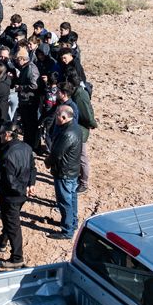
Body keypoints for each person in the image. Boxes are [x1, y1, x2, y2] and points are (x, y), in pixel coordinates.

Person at [0, 122, 35, 270]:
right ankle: (2, 241)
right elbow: (33, 168)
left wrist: (23, 189)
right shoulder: (27, 147)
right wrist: (31, 184)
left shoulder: (6, 154)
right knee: (9, 219)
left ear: (7, 134)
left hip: (11, 196)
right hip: (22, 193)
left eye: (1, 133)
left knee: (13, 225)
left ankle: (17, 258)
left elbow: (10, 182)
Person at [46, 105, 82, 239]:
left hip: (64, 172)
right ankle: (72, 222)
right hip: (72, 171)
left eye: (57, 115)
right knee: (72, 198)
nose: (55, 117)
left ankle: (67, 230)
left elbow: (57, 154)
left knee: (64, 201)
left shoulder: (67, 133)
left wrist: (47, 162)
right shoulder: (75, 127)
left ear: (64, 117)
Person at [67, 71, 97, 193]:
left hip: (81, 130)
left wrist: (93, 124)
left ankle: (84, 182)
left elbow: (87, 115)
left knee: (82, 157)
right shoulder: (77, 93)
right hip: (79, 128)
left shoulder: (79, 96)